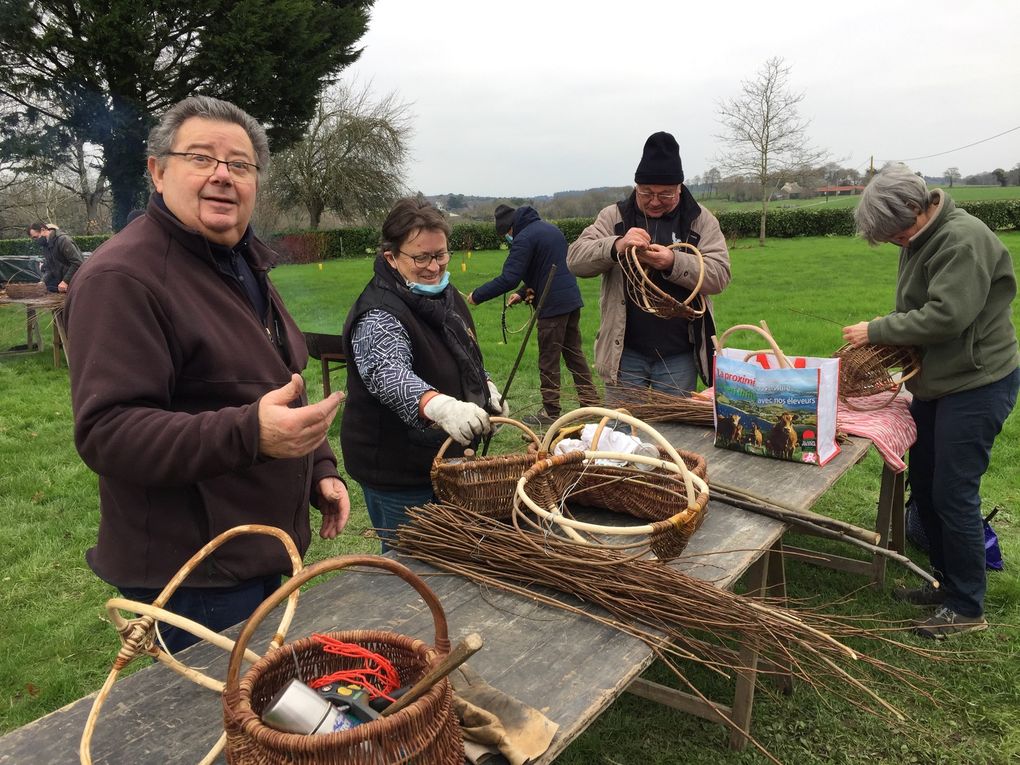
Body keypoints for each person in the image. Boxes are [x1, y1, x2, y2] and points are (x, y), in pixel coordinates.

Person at [65, 95, 350, 654]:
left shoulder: (241, 261)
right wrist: (253, 434)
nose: (223, 176)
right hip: (194, 576)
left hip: (259, 551)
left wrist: (319, 468)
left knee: (273, 718)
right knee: (224, 732)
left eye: (240, 165)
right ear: (158, 170)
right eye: (201, 158)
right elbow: (108, 432)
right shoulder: (122, 278)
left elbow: (276, 383)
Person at [843, 162, 1019, 640]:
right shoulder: (921, 238)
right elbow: (916, 305)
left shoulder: (962, 239)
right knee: (924, 482)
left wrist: (876, 330)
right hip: (940, 382)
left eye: (897, 233)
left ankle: (967, 606)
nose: (896, 242)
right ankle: (946, 583)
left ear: (917, 209)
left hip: (976, 383)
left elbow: (947, 317)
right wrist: (891, 328)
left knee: (953, 494)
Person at [341, 197, 508, 550]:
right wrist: (443, 408)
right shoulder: (380, 313)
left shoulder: (447, 296)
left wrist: (485, 385)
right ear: (391, 257)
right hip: (397, 470)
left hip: (444, 459)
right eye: (421, 258)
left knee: (452, 558)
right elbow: (389, 375)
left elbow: (462, 350)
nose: (434, 267)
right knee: (412, 571)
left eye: (441, 255)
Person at [566, 131, 730, 398]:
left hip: (679, 356)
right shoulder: (614, 217)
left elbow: (720, 275)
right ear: (636, 186)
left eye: (665, 195)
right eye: (646, 193)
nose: (654, 201)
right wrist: (617, 245)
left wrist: (672, 262)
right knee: (620, 431)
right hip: (625, 353)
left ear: (680, 188)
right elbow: (575, 259)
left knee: (672, 435)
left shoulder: (700, 220)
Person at [467, 204, 599, 425]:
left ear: (510, 228)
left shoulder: (523, 237)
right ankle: (591, 403)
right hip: (570, 300)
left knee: (548, 358)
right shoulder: (549, 229)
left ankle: (550, 411)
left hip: (552, 304)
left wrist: (478, 295)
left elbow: (509, 277)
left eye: (506, 234)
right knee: (574, 354)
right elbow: (544, 267)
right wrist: (521, 293)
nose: (508, 238)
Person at [27, 222, 84, 293]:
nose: (36, 240)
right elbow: (50, 267)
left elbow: (77, 263)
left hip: (75, 283)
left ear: (43, 230)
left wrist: (65, 281)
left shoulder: (63, 240)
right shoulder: (46, 245)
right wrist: (43, 282)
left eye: (35, 237)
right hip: (61, 285)